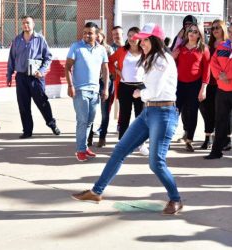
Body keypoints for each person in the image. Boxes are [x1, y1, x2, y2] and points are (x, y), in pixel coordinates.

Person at [72, 23, 183, 215]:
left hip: (164, 113)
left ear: (155, 40)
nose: (141, 42)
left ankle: (175, 199)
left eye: (146, 39)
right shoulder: (150, 57)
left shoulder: (162, 59)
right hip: (149, 112)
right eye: (141, 39)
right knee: (120, 150)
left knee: (156, 162)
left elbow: (154, 91)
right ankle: (96, 191)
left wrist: (140, 92)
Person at [6, 15, 60, 139]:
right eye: (24, 23)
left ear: (33, 24)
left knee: (42, 102)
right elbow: (11, 59)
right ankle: (27, 130)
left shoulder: (40, 39)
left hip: (36, 78)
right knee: (23, 105)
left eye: (28, 23)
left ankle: (52, 124)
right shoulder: (17, 40)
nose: (26, 25)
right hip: (21, 77)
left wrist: (42, 70)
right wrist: (9, 75)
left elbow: (48, 57)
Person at [65, 22, 109, 161]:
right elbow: (67, 67)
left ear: (97, 35)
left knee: (90, 121)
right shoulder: (76, 47)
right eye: (85, 32)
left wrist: (106, 88)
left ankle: (84, 147)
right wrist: (70, 86)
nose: (86, 35)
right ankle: (80, 150)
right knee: (82, 121)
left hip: (95, 91)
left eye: (90, 33)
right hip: (80, 90)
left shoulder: (101, 49)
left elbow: (105, 69)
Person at [109, 26, 148, 156]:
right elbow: (109, 62)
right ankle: (122, 144)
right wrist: (116, 71)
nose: (131, 38)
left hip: (140, 87)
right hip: (125, 87)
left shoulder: (145, 51)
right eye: (129, 35)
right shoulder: (122, 50)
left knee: (140, 118)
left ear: (140, 37)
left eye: (135, 35)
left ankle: (141, 144)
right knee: (125, 116)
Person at [172, 23, 210, 152]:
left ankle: (189, 140)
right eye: (190, 30)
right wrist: (173, 57)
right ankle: (167, 138)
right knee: (174, 112)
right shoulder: (180, 47)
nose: (192, 33)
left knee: (193, 113)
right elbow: (171, 65)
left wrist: (203, 87)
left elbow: (207, 70)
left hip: (195, 85)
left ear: (200, 34)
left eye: (195, 31)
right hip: (179, 85)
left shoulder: (203, 48)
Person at [204, 21, 232, 159]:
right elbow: (213, 62)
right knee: (220, 121)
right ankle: (216, 152)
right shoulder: (223, 46)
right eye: (231, 31)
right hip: (222, 90)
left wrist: (227, 75)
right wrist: (220, 76)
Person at [199, 19, 231, 149]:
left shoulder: (229, 45)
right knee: (208, 112)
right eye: (213, 28)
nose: (215, 30)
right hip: (210, 84)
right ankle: (208, 138)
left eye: (218, 27)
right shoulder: (209, 46)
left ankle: (228, 139)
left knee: (225, 113)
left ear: (223, 28)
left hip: (224, 84)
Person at [87, 29, 114, 148]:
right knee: (90, 111)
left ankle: (102, 137)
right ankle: (89, 137)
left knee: (104, 112)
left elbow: (112, 65)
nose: (97, 38)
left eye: (99, 36)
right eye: (95, 36)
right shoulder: (87, 48)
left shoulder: (107, 49)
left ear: (103, 37)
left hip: (104, 82)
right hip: (92, 82)